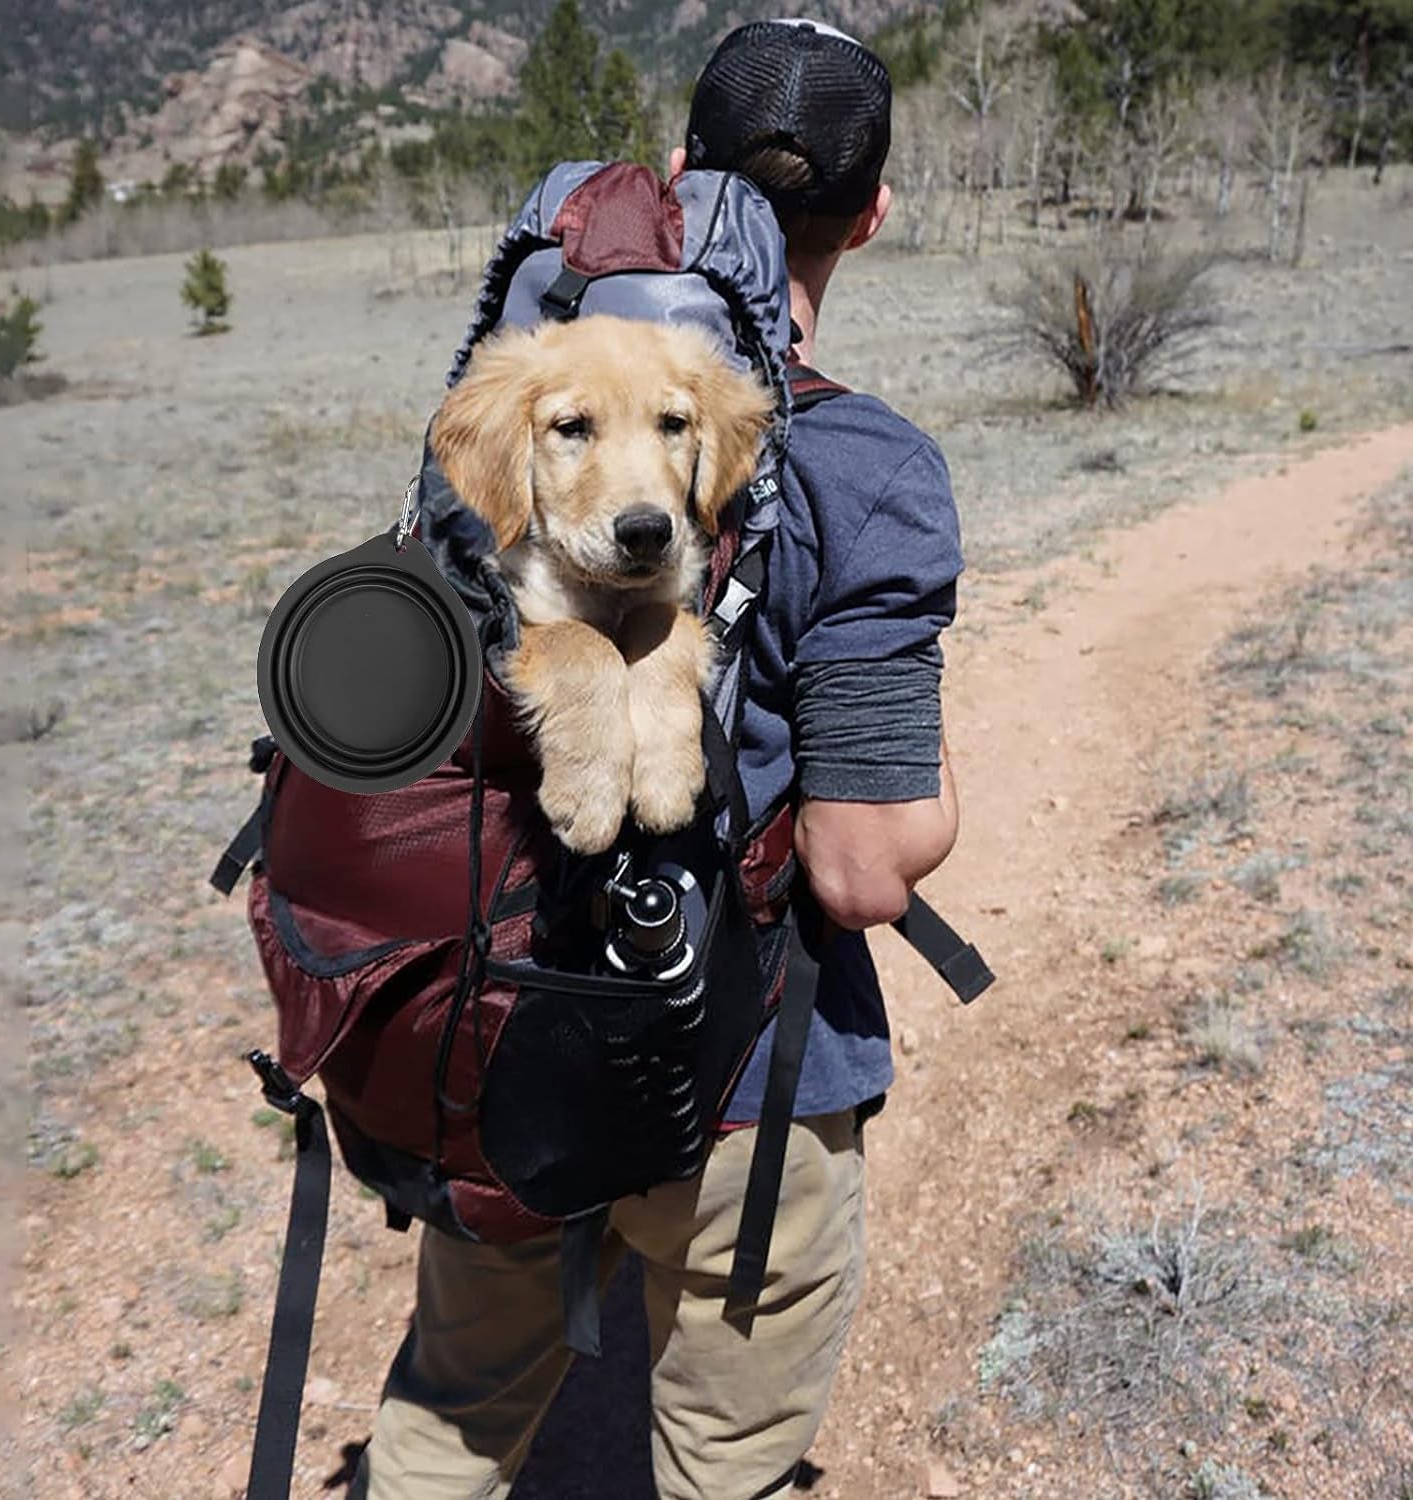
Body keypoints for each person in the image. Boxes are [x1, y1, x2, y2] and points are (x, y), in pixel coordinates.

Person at [351, 19, 963, 1500]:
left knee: (452, 1414)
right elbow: (861, 864)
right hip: (745, 1076)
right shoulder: (867, 467)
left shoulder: (530, 411)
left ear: (683, 177)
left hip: (497, 1026)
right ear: (873, 215)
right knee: (723, 1453)